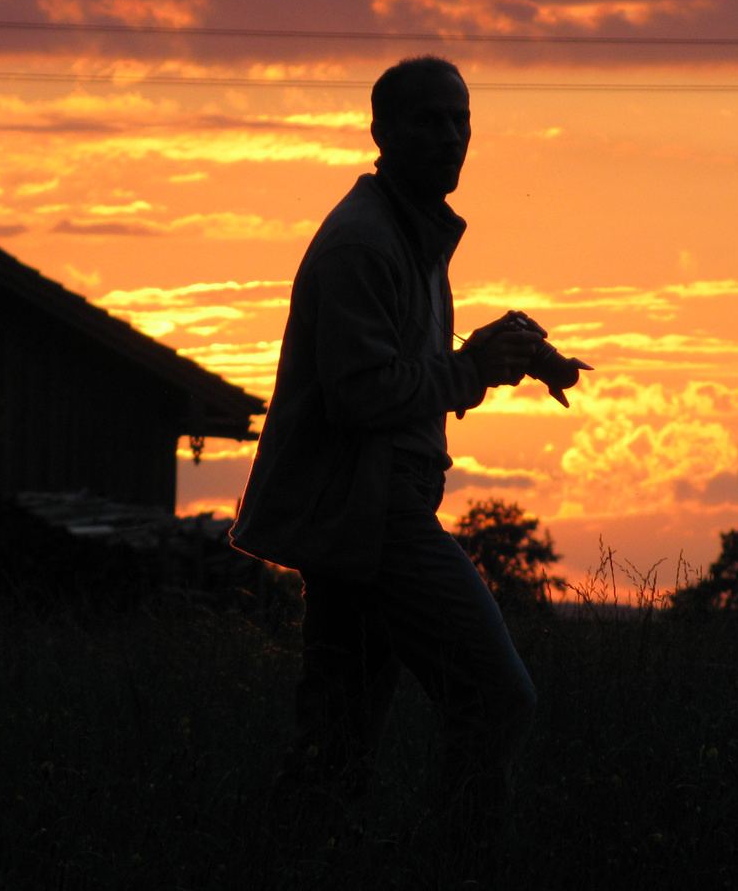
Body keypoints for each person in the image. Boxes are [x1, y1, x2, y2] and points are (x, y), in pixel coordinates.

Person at [230, 55, 543, 830]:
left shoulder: (408, 235)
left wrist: (489, 354)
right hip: (370, 514)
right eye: (427, 120)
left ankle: (295, 863)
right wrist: (472, 369)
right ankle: (461, 866)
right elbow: (363, 394)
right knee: (498, 698)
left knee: (334, 742)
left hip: (360, 513)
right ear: (381, 132)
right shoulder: (363, 245)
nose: (449, 136)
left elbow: (396, 372)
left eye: (460, 121)